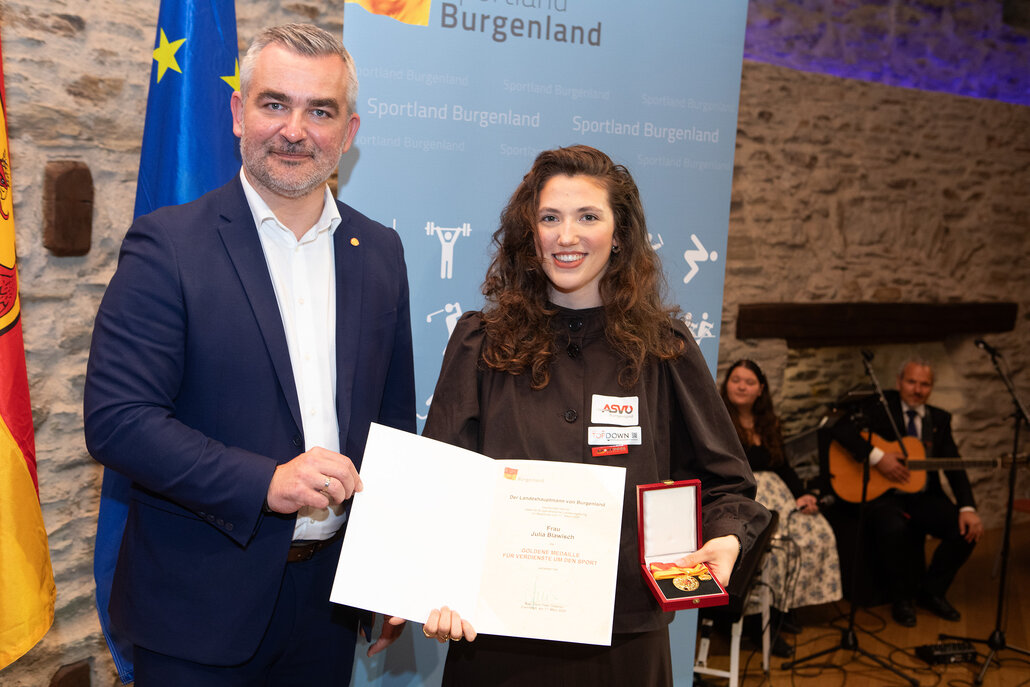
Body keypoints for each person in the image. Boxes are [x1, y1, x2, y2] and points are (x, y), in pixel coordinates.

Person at [83, 24, 415, 685]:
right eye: (274, 103)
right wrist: (266, 482)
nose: (294, 130)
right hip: (196, 610)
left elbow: (392, 423)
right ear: (238, 113)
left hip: (328, 609)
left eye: (320, 111)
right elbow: (119, 421)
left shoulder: (380, 251)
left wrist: (391, 567)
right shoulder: (167, 246)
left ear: (348, 132)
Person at [417, 145, 771, 686]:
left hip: (626, 637)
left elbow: (727, 484)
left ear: (619, 234)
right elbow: (438, 487)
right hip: (498, 634)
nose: (567, 236)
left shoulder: (665, 349)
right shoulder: (481, 344)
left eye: (588, 217)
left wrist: (725, 539)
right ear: (529, 233)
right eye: (549, 218)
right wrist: (430, 582)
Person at [829, 357, 982, 628]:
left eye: (925, 384)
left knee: (965, 532)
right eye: (911, 382)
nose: (917, 390)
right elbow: (839, 427)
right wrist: (878, 458)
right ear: (899, 382)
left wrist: (968, 507)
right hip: (884, 497)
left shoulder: (939, 419)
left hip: (924, 495)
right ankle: (901, 599)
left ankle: (931, 592)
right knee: (894, 528)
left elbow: (955, 466)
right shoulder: (881, 406)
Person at [720, 359, 842, 657]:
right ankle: (759, 623)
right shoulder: (719, 418)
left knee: (814, 534)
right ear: (726, 384)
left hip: (779, 493)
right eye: (736, 380)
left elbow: (784, 465)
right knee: (771, 550)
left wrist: (802, 495)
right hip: (746, 495)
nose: (742, 386)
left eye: (749, 382)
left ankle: (783, 608)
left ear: (761, 389)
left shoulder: (769, 423)